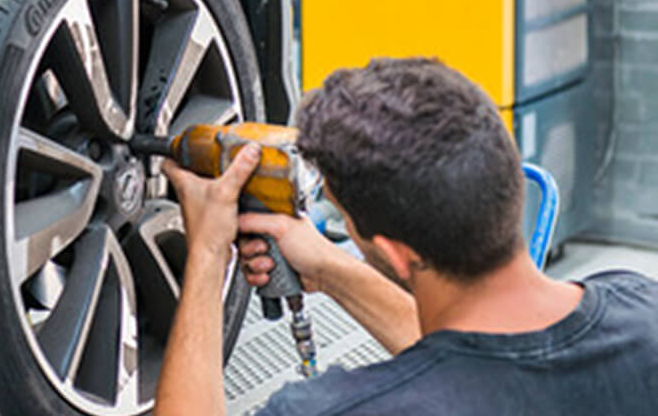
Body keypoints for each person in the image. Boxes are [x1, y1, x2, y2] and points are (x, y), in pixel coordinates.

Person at [154, 57, 658, 415]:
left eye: (342, 216)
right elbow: (488, 361)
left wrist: (206, 254)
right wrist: (329, 269)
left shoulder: (337, 408)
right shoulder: (641, 306)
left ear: (396, 253)